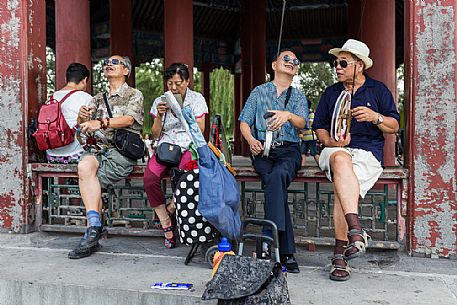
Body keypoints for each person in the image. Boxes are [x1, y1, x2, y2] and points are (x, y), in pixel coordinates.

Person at [312, 39, 400, 281]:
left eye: (343, 63)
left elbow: (394, 126)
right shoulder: (331, 93)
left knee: (343, 189)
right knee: (340, 159)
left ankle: (341, 252)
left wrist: (375, 117)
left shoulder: (378, 90)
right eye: (336, 63)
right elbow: (318, 128)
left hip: (367, 152)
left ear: (359, 66)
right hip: (336, 150)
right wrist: (332, 142)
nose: (337, 67)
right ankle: (356, 231)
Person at [239, 49, 308, 273]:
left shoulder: (297, 96)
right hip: (263, 150)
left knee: (276, 176)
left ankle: (268, 240)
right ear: (274, 65)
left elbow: (302, 123)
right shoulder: (259, 92)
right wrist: (250, 140)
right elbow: (244, 122)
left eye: (295, 61)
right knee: (275, 183)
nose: (291, 62)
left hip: (288, 151)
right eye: (286, 59)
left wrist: (287, 115)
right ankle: (285, 253)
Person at [68, 55, 144, 259]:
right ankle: (94, 226)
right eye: (106, 63)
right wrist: (82, 118)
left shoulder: (134, 95)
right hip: (98, 149)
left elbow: (129, 119)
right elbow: (81, 128)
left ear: (126, 70)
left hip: (121, 152)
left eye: (115, 62)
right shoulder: (96, 98)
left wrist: (100, 123)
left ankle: (91, 232)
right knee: (84, 167)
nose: (109, 65)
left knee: (90, 182)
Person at [143, 63, 208, 249]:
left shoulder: (197, 99)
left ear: (187, 81)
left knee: (187, 176)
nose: (173, 87)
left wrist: (180, 112)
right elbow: (155, 133)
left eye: (178, 83)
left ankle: (172, 207)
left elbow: (200, 130)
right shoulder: (160, 100)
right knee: (150, 177)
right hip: (166, 146)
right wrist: (159, 116)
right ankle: (166, 224)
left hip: (188, 145)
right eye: (170, 82)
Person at [46, 63, 92, 164]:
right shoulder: (85, 97)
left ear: (66, 79)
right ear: (84, 80)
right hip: (75, 155)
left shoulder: (51, 98)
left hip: (51, 155)